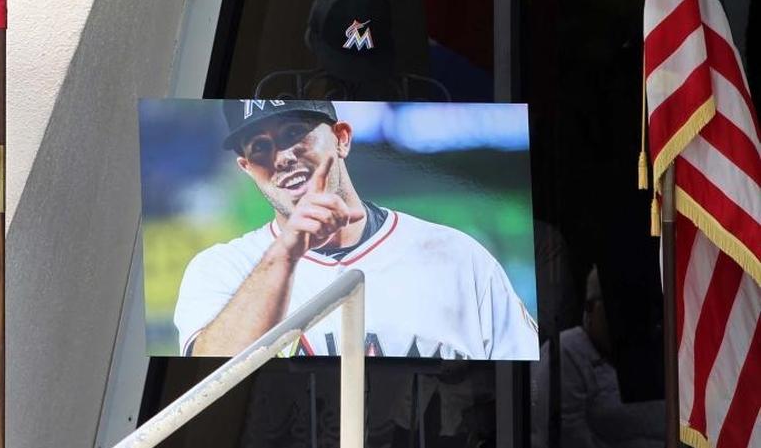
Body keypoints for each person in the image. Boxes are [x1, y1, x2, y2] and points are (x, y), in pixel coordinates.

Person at [173, 99, 538, 359]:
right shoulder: (221, 269)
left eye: (294, 132)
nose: (281, 157)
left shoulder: (459, 256)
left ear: (342, 138)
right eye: (260, 147)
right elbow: (207, 386)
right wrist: (286, 253)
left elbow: (526, 390)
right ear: (246, 167)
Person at [530, 267, 664, 448]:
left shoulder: (654, 353)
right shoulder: (566, 352)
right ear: (590, 309)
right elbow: (568, 439)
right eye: (615, 303)